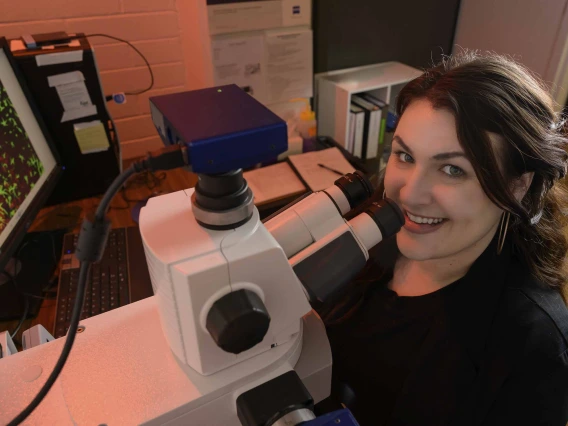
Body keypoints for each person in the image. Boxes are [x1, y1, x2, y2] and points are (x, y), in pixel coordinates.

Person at [315, 51, 568, 426]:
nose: (409, 193)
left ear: (518, 186)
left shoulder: (534, 344)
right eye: (404, 155)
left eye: (452, 169)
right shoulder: (368, 234)